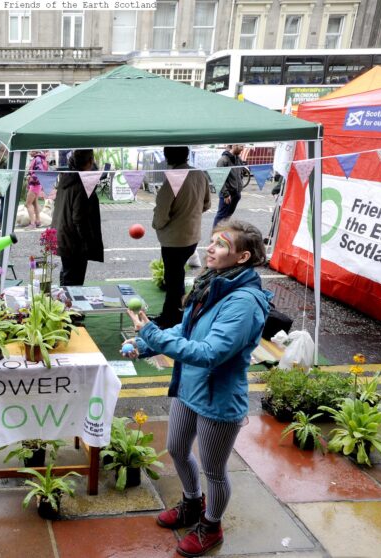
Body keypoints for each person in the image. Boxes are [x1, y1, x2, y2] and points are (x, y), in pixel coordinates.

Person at [123, 220, 271, 558]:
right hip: (189, 388)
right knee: (176, 448)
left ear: (242, 257)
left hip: (219, 400)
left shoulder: (244, 303)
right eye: (212, 241)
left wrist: (152, 336)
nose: (210, 247)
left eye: (221, 244)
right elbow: (187, 330)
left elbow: (210, 353)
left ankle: (211, 525)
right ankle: (192, 503)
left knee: (214, 470)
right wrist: (146, 344)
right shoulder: (213, 283)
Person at [152, 145, 211, 329]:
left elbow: (162, 212)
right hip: (192, 234)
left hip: (174, 238)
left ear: (167, 156)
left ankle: (170, 317)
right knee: (178, 273)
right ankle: (180, 308)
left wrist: (158, 225)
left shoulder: (173, 179)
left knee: (173, 277)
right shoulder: (199, 174)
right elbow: (207, 204)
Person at [52, 149, 103, 286]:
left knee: (67, 275)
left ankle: (64, 304)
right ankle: (69, 306)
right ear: (90, 161)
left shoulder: (66, 179)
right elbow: (79, 218)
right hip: (75, 242)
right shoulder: (81, 185)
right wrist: (87, 243)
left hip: (64, 236)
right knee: (73, 283)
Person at [212, 144, 245, 228]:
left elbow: (240, 173)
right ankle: (215, 235)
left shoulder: (239, 159)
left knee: (228, 216)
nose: (242, 149)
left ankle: (223, 232)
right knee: (221, 216)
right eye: (241, 147)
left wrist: (240, 187)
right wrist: (226, 194)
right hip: (227, 194)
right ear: (234, 146)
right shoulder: (223, 160)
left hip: (236, 193)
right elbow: (219, 180)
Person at [24, 150, 48, 229]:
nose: (29, 152)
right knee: (34, 203)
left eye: (30, 151)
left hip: (35, 184)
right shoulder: (39, 158)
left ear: (36, 151)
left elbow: (39, 172)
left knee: (28, 204)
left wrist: (30, 177)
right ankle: (38, 221)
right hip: (37, 184)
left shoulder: (37, 159)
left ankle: (32, 223)